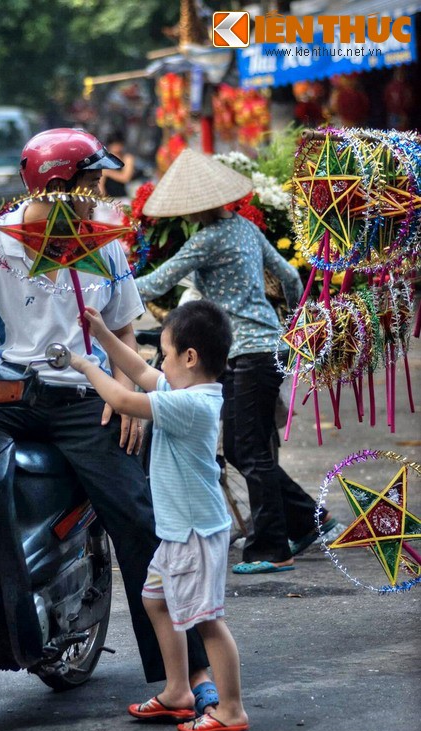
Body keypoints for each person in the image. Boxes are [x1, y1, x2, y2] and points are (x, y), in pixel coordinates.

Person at [0, 128, 215, 698]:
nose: (100, 193)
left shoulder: (105, 244)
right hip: (10, 396)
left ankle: (187, 674)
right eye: (92, 182)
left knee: (140, 518)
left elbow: (120, 329)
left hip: (84, 401)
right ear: (58, 185)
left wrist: (128, 398)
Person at [133, 148, 338, 574]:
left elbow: (158, 281)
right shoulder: (245, 228)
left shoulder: (207, 239)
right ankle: (307, 519)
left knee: (248, 452)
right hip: (267, 348)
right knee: (252, 450)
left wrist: (109, 288)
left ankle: (271, 548)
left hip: (245, 354)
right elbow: (290, 275)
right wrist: (288, 319)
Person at [70, 300, 249, 731]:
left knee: (207, 621)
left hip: (195, 534)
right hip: (176, 532)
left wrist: (81, 363)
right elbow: (141, 373)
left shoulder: (192, 405)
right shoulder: (185, 390)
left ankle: (231, 709)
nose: (159, 362)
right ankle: (177, 691)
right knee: (155, 599)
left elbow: (122, 395)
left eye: (165, 353)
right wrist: (102, 335)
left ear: (190, 357)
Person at [94, 130, 136, 225]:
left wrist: (109, 172)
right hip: (107, 200)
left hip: (122, 198)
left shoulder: (127, 158)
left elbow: (125, 177)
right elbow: (100, 181)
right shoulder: (104, 159)